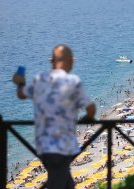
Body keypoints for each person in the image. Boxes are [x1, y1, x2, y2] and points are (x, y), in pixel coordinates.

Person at [12, 44, 96, 189]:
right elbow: (90, 108)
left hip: (43, 145)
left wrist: (20, 82)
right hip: (64, 146)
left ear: (52, 60)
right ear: (71, 60)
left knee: (67, 183)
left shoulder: (39, 79)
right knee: (58, 183)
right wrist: (87, 118)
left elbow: (21, 94)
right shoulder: (72, 81)